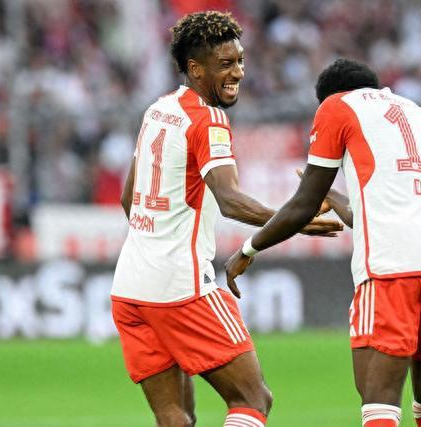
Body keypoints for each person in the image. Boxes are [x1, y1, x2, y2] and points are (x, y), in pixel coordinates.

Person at [111, 11, 342, 427]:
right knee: (253, 398)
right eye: (225, 64)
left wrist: (156, 241)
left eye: (240, 60)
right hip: (181, 287)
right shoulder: (209, 118)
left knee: (175, 416)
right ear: (195, 68)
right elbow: (230, 200)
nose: (238, 72)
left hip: (129, 288)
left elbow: (129, 199)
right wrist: (294, 218)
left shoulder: (158, 111)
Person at [226, 58, 421, 427]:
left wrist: (248, 249)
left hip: (391, 268)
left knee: (380, 403)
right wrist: (336, 197)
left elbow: (303, 204)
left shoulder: (336, 106)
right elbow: (379, 208)